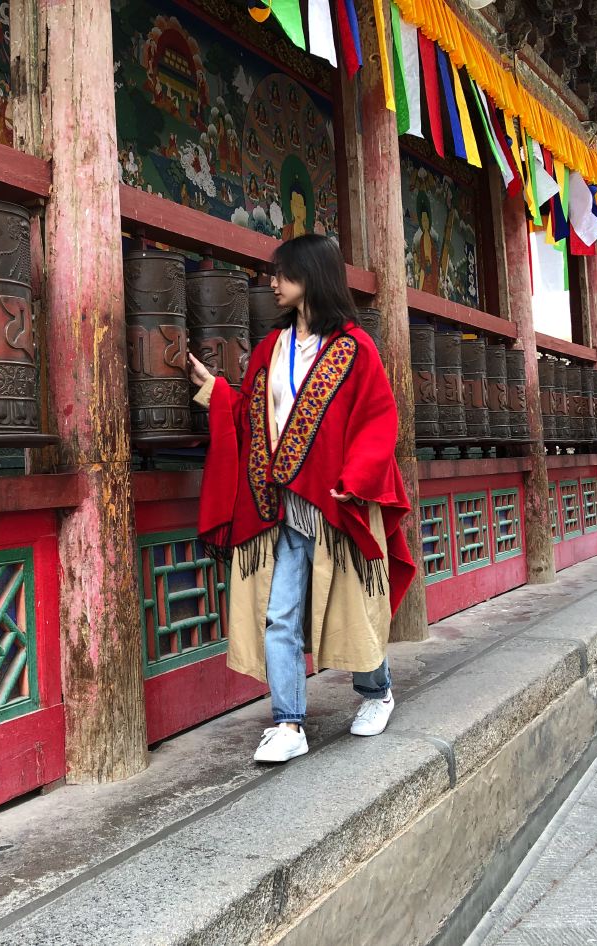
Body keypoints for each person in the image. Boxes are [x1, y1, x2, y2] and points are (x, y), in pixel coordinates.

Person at [187, 235, 416, 764]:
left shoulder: (356, 348)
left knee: (353, 610)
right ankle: (289, 722)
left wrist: (357, 480)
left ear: (310, 276)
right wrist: (214, 390)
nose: (273, 281)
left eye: (282, 273)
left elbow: (379, 420)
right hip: (281, 506)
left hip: (336, 502)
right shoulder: (271, 348)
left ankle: (377, 691)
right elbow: (251, 414)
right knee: (280, 613)